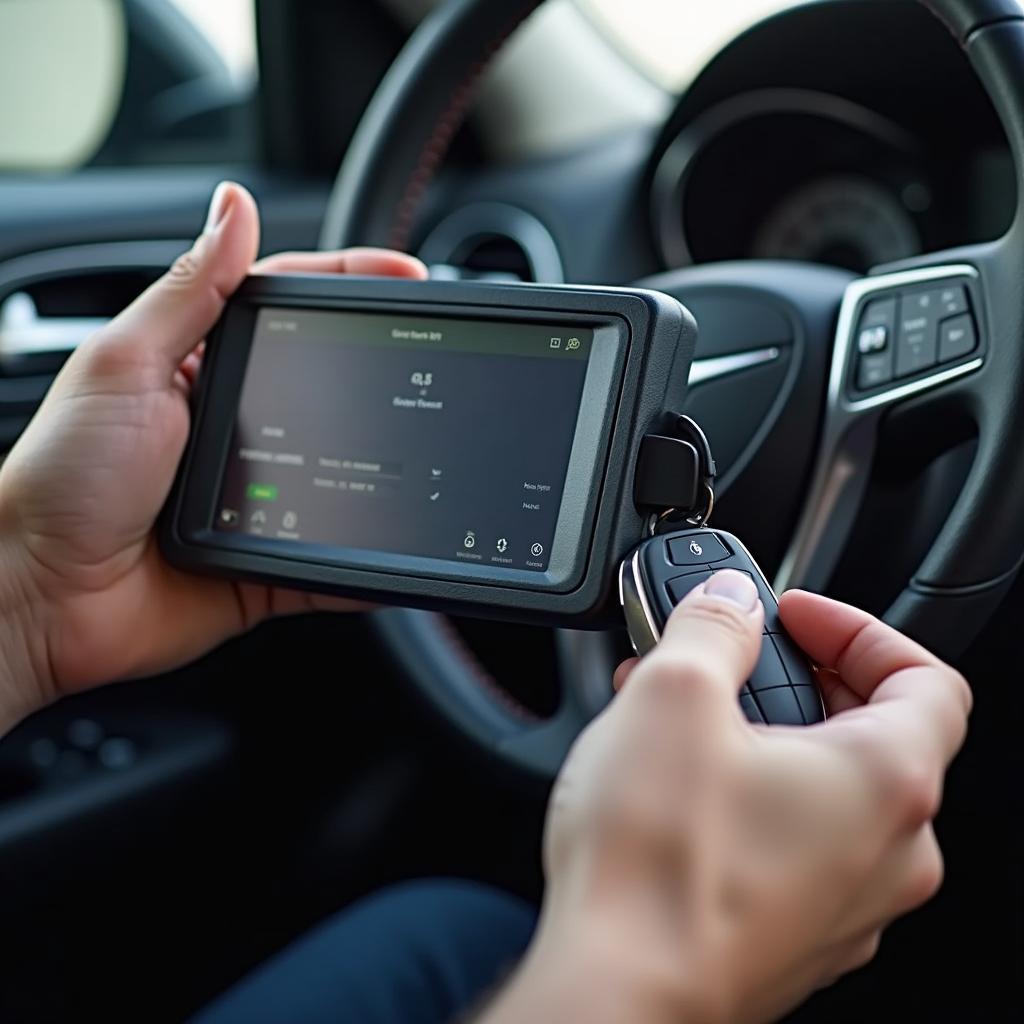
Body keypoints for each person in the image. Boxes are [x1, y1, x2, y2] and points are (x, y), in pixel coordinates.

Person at [0, 183, 971, 1024]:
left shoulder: (49, 571)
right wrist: (669, 969)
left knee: (445, 928)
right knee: (467, 930)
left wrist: (36, 586)